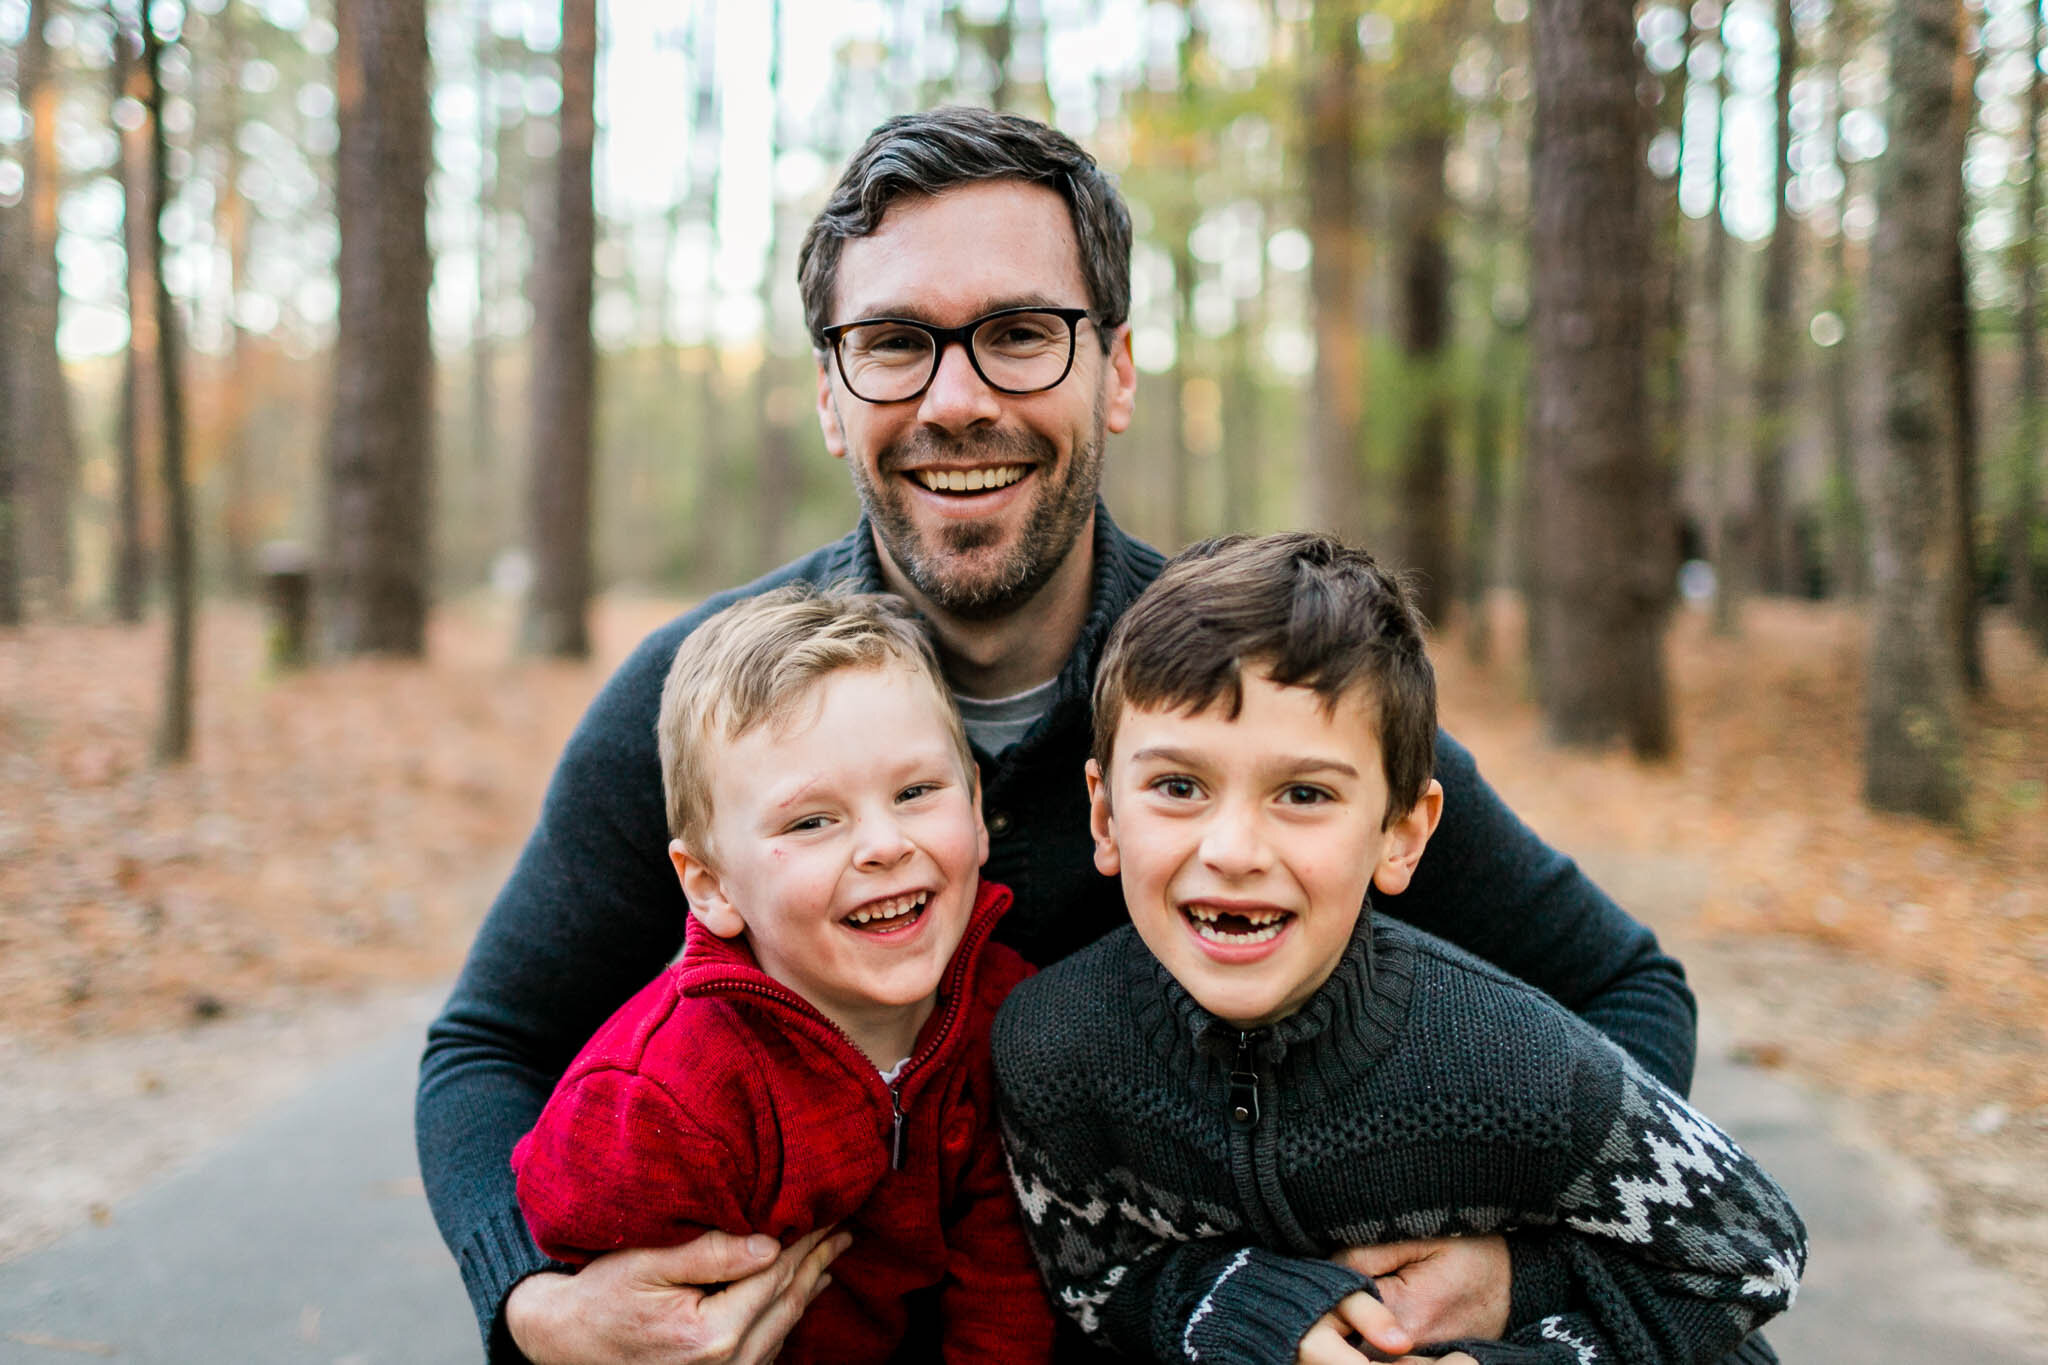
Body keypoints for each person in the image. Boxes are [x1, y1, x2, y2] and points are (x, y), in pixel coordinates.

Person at [415, 107, 1710, 1365]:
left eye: (1021, 335)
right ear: (830, 392)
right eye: (894, 342)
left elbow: (1624, 992)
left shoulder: (1263, 694)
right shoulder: (701, 706)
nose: (957, 398)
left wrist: (1515, 1262)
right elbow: (489, 1047)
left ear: (1119, 370)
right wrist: (531, 1305)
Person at [993, 532, 1806, 1365]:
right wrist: (1244, 1306)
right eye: (1178, 786)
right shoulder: (1053, 1048)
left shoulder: (1520, 1064)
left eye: (1303, 793)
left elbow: (1751, 1250)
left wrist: (1518, 1325)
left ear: (1402, 834)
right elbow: (1091, 1273)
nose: (1233, 849)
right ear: (1104, 814)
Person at [508, 586, 1054, 1364]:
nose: (883, 843)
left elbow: (1004, 1280)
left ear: (974, 803)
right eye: (811, 820)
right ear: (711, 885)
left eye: (915, 792)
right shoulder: (664, 1099)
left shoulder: (1004, 1015)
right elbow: (599, 1298)